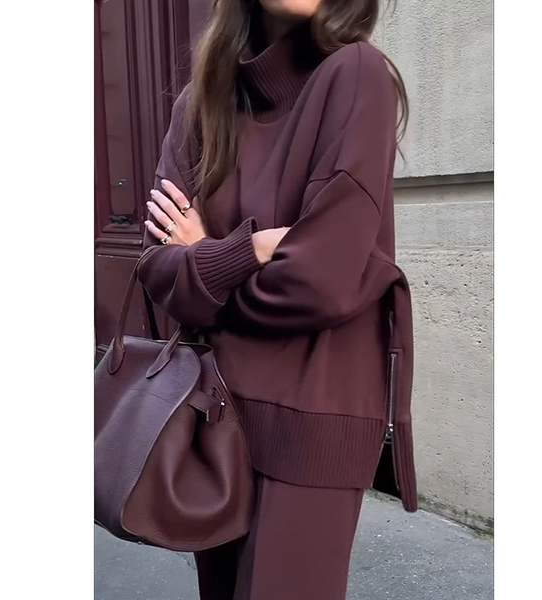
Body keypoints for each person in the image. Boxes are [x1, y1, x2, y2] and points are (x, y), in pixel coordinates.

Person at [137, 0, 416, 598]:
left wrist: (204, 257)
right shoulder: (199, 106)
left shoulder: (356, 75)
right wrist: (253, 248)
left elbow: (319, 281)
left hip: (314, 417)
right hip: (215, 413)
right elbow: (158, 267)